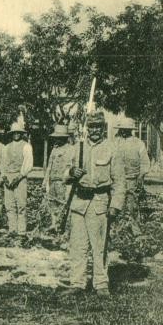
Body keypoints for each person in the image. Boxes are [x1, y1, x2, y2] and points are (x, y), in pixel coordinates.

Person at [65, 111, 125, 296]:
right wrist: (71, 172)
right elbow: (64, 173)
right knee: (78, 246)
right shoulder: (77, 147)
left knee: (99, 246)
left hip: (99, 203)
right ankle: (77, 283)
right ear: (87, 128)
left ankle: (101, 283)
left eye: (99, 126)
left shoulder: (112, 149)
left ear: (103, 128)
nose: (95, 130)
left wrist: (115, 205)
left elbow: (119, 181)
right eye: (92, 126)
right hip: (79, 203)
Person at [114, 117, 150, 235]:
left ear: (130, 130)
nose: (124, 132)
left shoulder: (138, 143)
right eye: (122, 129)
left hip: (132, 179)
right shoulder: (115, 142)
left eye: (126, 130)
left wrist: (141, 176)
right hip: (117, 180)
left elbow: (145, 163)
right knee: (116, 205)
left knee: (132, 206)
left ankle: (136, 230)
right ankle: (116, 230)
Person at [43, 124, 76, 237]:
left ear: (65, 138)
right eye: (57, 137)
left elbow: (72, 167)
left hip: (64, 182)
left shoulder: (72, 149)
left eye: (60, 137)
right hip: (53, 180)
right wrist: (45, 180)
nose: (58, 139)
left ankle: (63, 228)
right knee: (52, 203)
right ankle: (54, 225)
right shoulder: (54, 149)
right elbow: (49, 166)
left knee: (64, 204)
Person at [1, 122, 33, 238]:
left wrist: (19, 177)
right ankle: (12, 229)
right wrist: (4, 177)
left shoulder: (26, 146)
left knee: (21, 204)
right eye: (14, 133)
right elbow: (3, 164)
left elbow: (28, 164)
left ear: (21, 133)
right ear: (11, 134)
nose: (16, 135)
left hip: (20, 178)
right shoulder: (6, 147)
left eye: (18, 133)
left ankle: (21, 231)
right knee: (9, 204)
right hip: (8, 177)